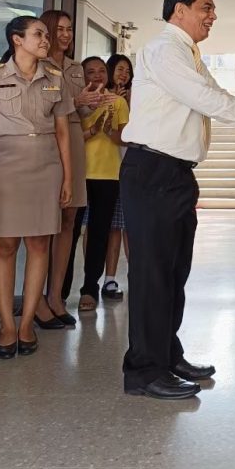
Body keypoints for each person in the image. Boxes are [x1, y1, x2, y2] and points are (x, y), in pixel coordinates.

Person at [120, 0, 235, 401]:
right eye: (206, 8)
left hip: (176, 174)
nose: (213, 16)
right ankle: (144, 371)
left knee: (174, 272)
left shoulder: (188, 54)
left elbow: (215, 92)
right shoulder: (164, 49)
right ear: (179, 10)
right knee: (152, 274)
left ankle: (167, 355)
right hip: (153, 171)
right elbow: (204, 97)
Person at [0, 17, 73, 358]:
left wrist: (68, 177)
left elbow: (63, 131)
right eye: (39, 34)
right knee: (6, 245)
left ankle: (26, 324)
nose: (46, 40)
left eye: (47, 35)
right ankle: (7, 325)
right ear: (17, 39)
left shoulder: (55, 77)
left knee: (39, 244)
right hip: (7, 167)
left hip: (46, 167)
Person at [34, 10, 106, 329]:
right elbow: (39, 110)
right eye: (60, 29)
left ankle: (55, 298)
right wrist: (75, 103)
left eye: (69, 29)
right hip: (46, 141)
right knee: (42, 223)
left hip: (74, 141)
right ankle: (35, 299)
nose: (66, 34)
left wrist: (92, 102)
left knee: (69, 218)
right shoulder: (36, 65)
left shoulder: (76, 68)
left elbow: (82, 110)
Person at [75, 57, 129, 312]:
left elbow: (125, 137)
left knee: (99, 233)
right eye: (90, 72)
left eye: (101, 71)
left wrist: (108, 131)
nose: (96, 75)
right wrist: (92, 131)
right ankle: (57, 294)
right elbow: (66, 136)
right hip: (77, 173)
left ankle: (90, 288)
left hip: (108, 175)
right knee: (70, 233)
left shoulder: (117, 102)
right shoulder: (76, 102)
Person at [102, 53, 134, 300]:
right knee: (113, 227)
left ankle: (137, 276)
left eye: (127, 71)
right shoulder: (99, 97)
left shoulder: (135, 98)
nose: (124, 74)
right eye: (120, 69)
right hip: (106, 168)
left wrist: (128, 104)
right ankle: (109, 279)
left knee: (131, 227)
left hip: (130, 167)